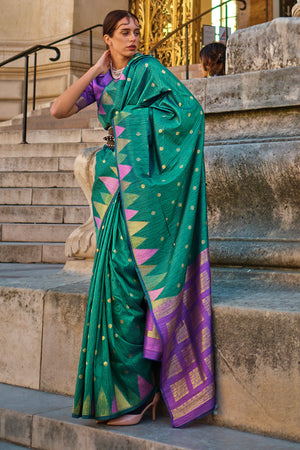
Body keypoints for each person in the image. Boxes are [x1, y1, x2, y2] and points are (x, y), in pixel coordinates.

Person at [51, 9, 215, 428]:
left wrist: (130, 126)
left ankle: (138, 397)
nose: (133, 38)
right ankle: (118, 397)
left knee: (128, 281)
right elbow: (58, 110)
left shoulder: (151, 71)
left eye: (136, 32)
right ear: (107, 39)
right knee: (109, 285)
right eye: (124, 33)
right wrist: (94, 70)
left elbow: (190, 115)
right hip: (110, 189)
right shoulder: (105, 81)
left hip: (140, 188)